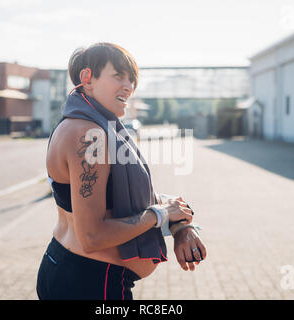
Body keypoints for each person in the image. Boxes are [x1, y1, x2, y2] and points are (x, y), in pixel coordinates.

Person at [36, 42, 207, 300]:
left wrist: (179, 225)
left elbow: (120, 199)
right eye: (118, 76)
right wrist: (159, 215)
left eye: (132, 79)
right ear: (87, 78)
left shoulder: (83, 124)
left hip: (68, 269)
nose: (129, 86)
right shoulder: (89, 135)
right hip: (91, 283)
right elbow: (92, 236)